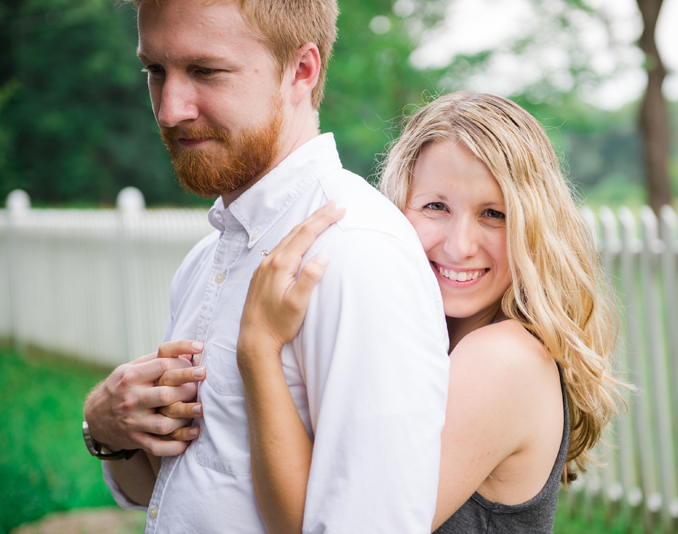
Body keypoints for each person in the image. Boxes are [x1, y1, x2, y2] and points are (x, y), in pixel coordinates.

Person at [80, 0, 451, 531]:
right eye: (155, 71)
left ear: (302, 70)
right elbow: (177, 489)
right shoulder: (206, 259)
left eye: (205, 71)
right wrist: (104, 429)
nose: (169, 109)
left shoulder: (353, 255)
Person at [234, 91, 623, 533]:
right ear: (397, 209)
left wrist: (258, 349)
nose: (459, 245)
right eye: (436, 207)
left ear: (534, 228)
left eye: (494, 214)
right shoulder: (429, 344)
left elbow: (309, 526)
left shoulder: (504, 358)